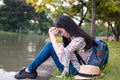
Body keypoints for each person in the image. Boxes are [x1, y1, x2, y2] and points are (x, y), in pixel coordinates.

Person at [14, 15, 95, 79]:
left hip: (76, 71)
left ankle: (29, 70)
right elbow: (67, 50)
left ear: (68, 28)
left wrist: (52, 36)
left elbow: (62, 54)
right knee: (51, 45)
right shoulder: (73, 38)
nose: (62, 34)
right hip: (71, 66)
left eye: (61, 31)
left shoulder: (79, 39)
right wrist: (59, 44)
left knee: (50, 45)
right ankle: (30, 70)